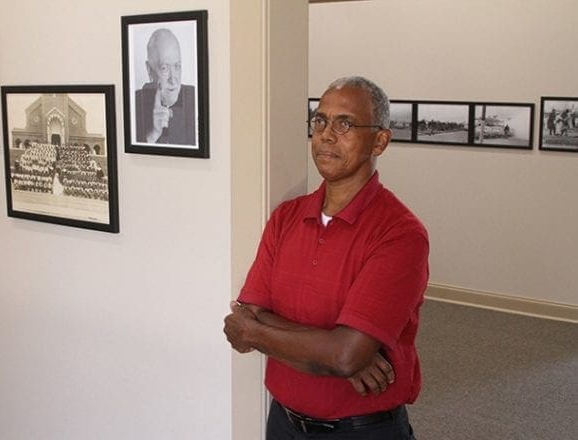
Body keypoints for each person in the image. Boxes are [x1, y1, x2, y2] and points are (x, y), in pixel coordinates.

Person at [224, 76, 429, 439]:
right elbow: (247, 315)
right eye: (319, 121)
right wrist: (332, 353)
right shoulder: (286, 217)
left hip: (362, 431)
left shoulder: (400, 233)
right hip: (283, 423)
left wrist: (259, 332)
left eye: (345, 124)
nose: (326, 135)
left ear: (379, 140)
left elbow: (345, 354)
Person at [135, 28, 195, 145]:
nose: (173, 79)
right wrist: (153, 134)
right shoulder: (135, 104)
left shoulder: (195, 97)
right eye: (164, 68)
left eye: (177, 66)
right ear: (149, 69)